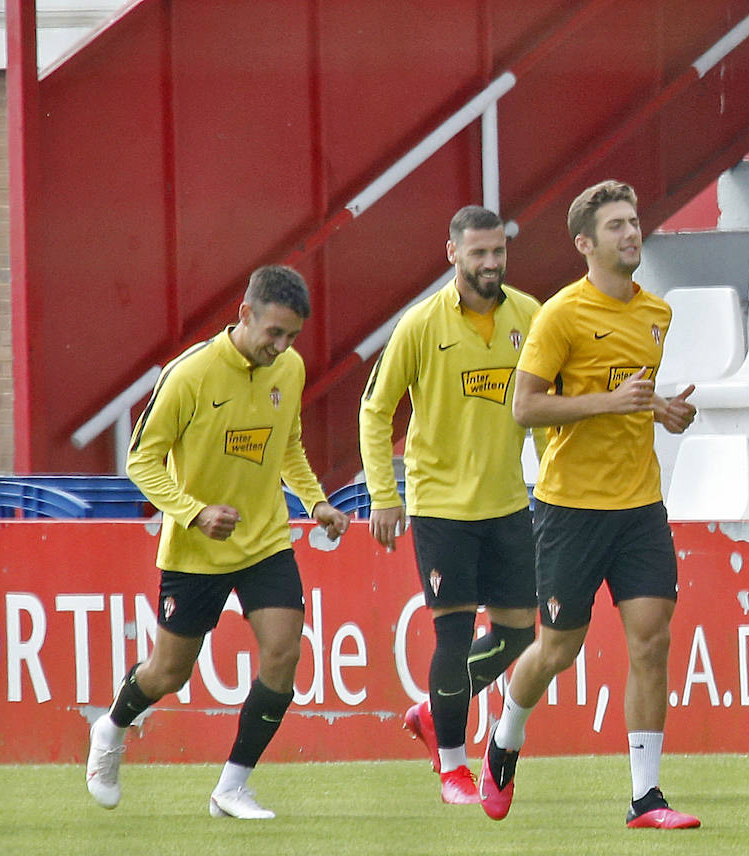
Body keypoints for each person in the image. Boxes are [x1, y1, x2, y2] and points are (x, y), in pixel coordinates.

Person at [86, 264, 350, 819]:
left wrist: (316, 500)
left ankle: (232, 787)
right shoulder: (190, 375)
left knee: (283, 653)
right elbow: (141, 461)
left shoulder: (290, 369)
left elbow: (288, 446)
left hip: (264, 540)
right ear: (245, 315)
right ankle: (111, 727)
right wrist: (194, 512)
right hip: (195, 549)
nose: (281, 347)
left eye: (291, 337)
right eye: (272, 333)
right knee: (168, 673)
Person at [479, 179, 700, 829]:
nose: (632, 233)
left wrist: (663, 410)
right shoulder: (561, 316)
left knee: (652, 642)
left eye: (635, 222)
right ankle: (504, 739)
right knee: (557, 650)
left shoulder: (657, 313)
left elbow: (632, 397)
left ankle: (646, 797)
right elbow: (525, 407)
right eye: (616, 226)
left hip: (639, 506)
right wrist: (614, 402)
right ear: (585, 244)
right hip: (570, 509)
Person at [358, 205, 542, 805]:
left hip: (510, 502)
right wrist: (385, 496)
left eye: (498, 252)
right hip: (441, 508)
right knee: (454, 637)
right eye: (478, 253)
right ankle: (453, 767)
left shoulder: (530, 316)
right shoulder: (420, 324)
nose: (490, 263)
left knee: (519, 634)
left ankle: (434, 711)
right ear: (453, 254)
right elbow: (375, 409)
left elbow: (546, 401)